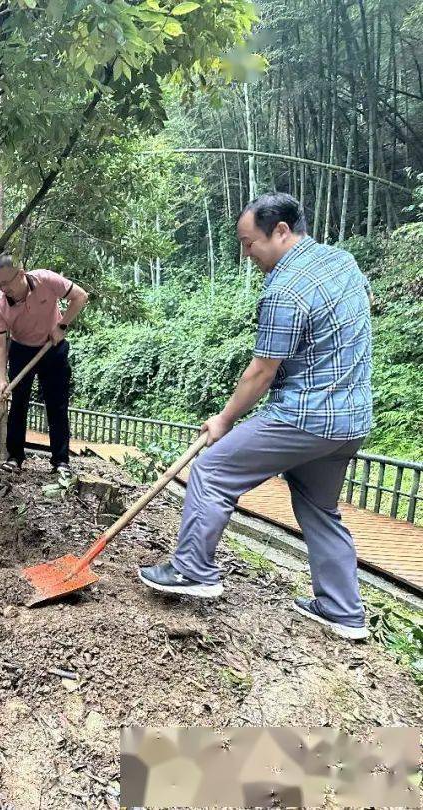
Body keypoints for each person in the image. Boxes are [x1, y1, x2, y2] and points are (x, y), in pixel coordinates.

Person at [139, 192, 373, 641]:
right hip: (352, 419)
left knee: (212, 469)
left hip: (306, 415)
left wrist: (224, 420)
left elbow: (262, 370)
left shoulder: (284, 289)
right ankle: (343, 610)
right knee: (319, 506)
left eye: (250, 244)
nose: (247, 256)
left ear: (281, 231)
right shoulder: (342, 260)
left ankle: (193, 570)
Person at [0, 254, 89, 473]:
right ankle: (15, 458)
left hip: (52, 347)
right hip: (21, 350)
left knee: (57, 405)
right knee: (18, 405)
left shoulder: (46, 280)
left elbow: (80, 296)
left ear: (21, 274)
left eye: (6, 283)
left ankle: (61, 461)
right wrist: (1, 379)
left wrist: (61, 326)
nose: (3, 289)